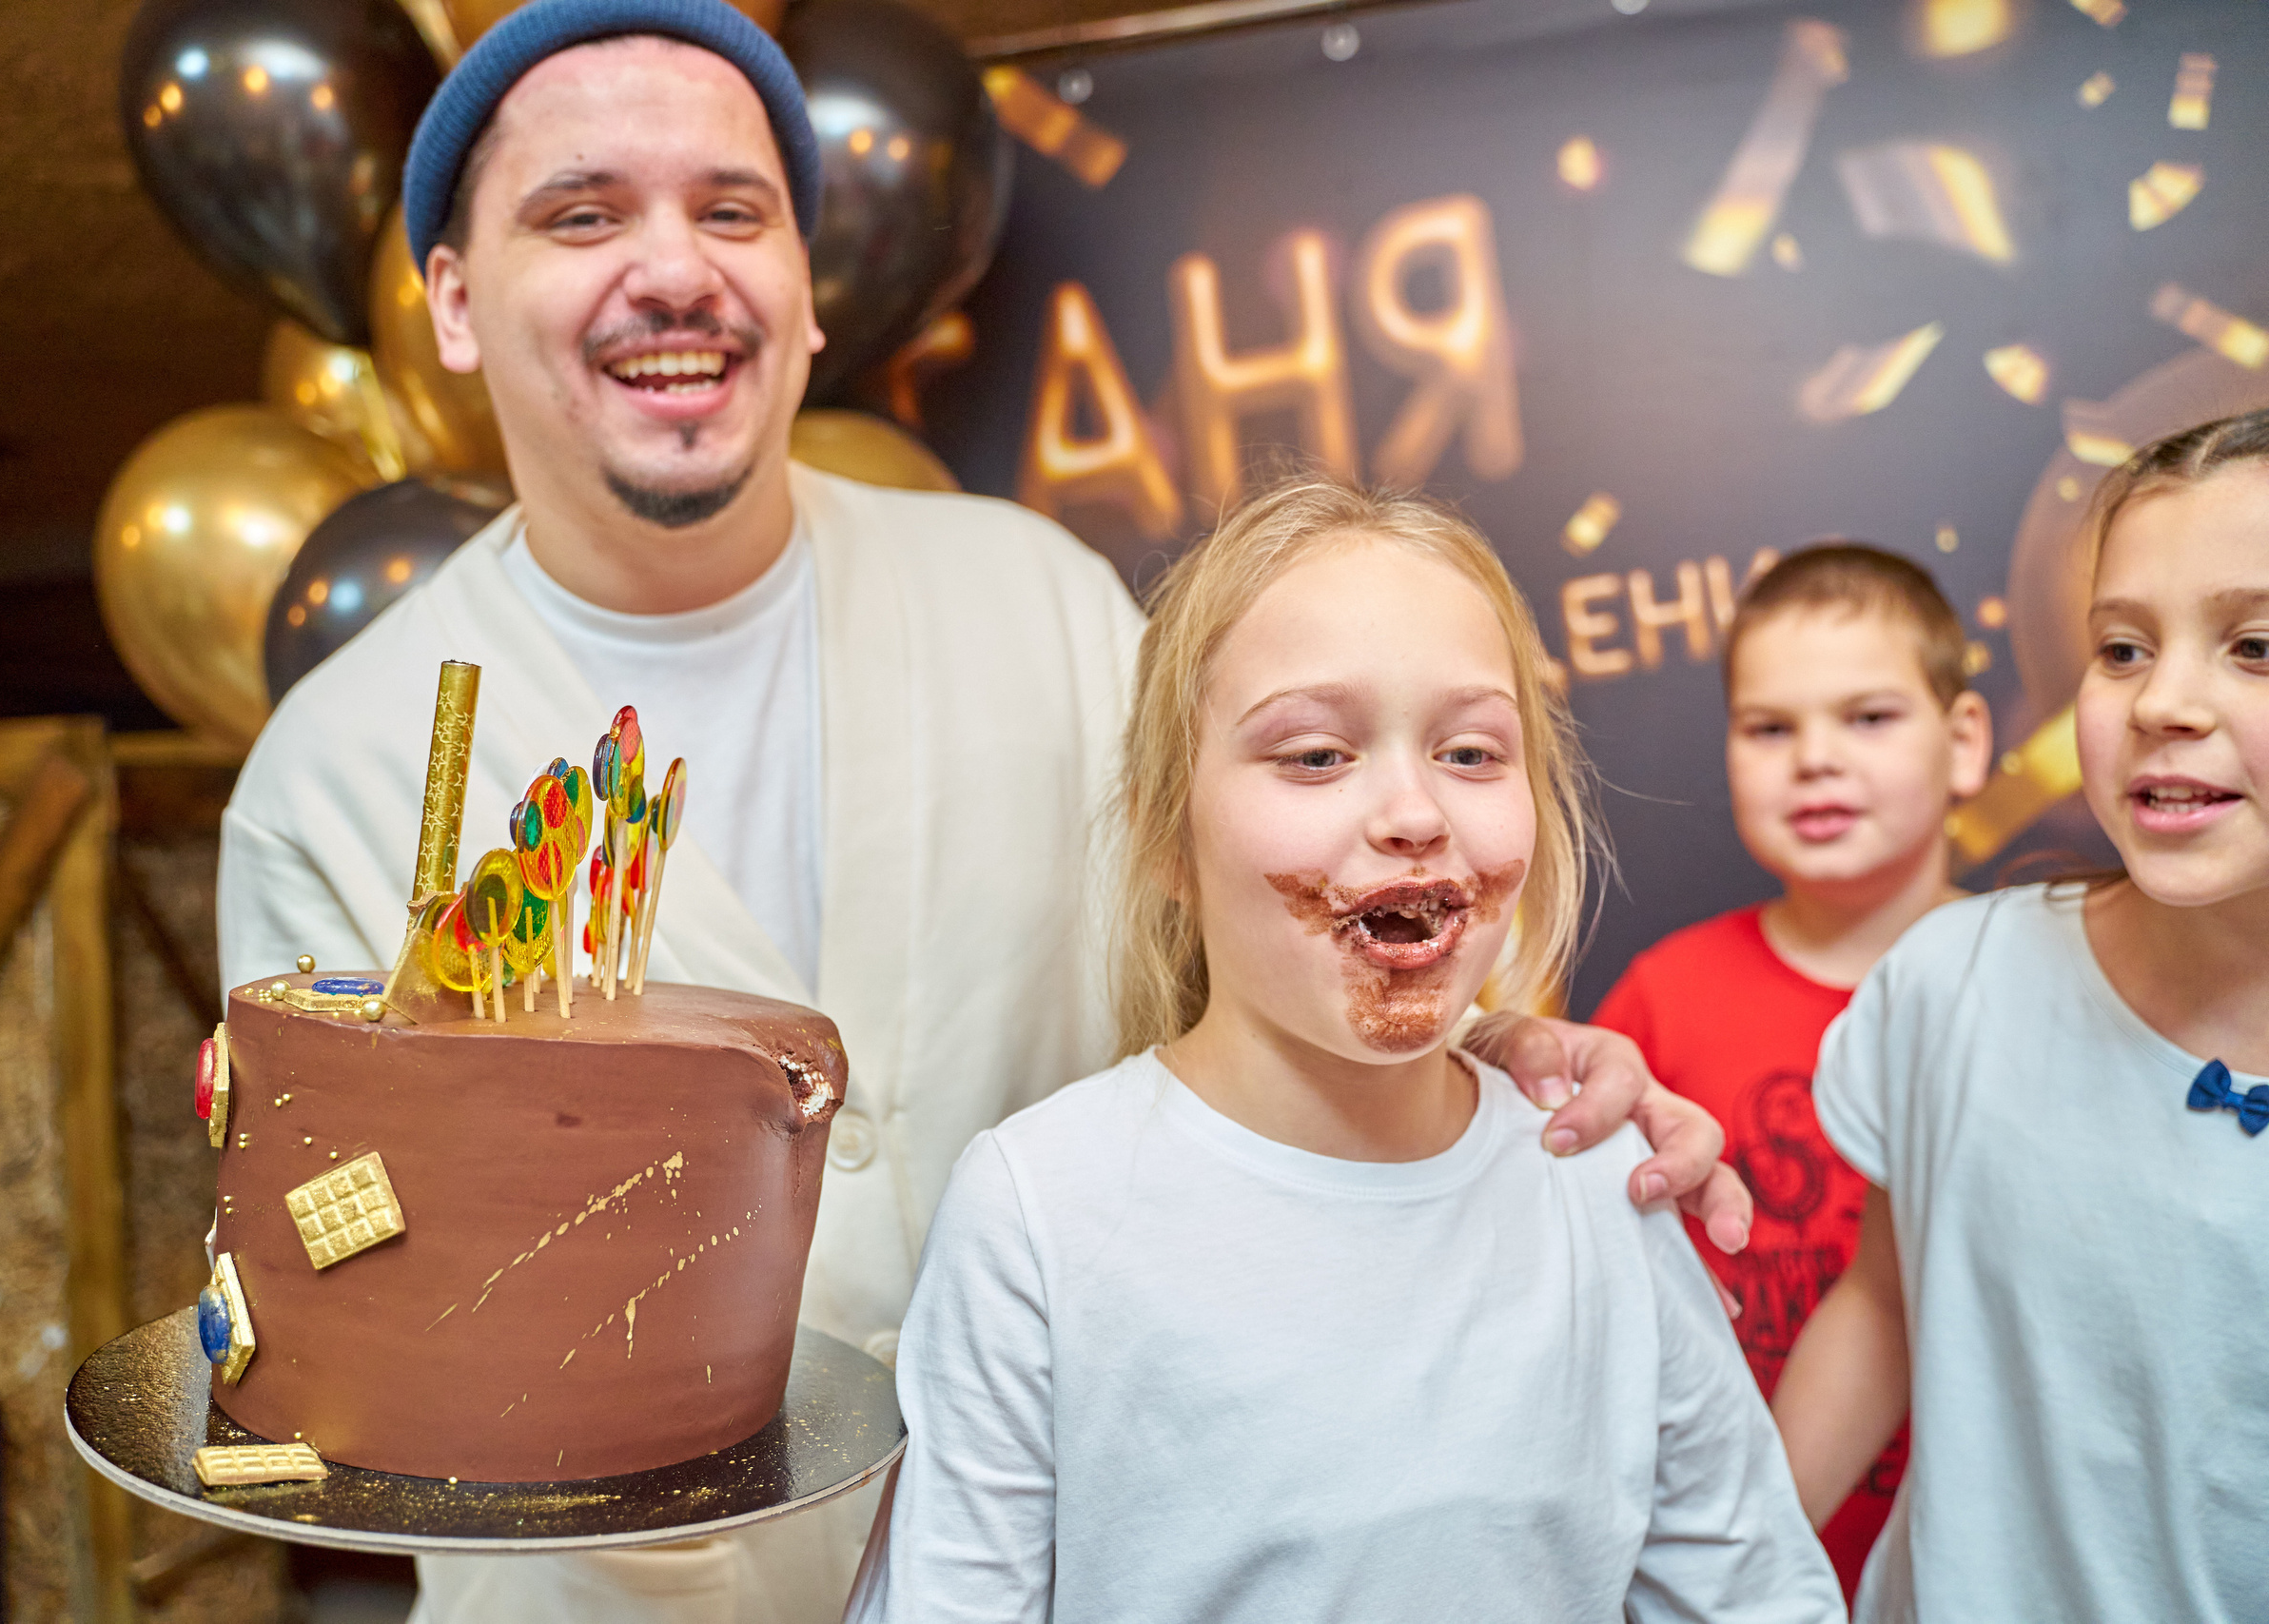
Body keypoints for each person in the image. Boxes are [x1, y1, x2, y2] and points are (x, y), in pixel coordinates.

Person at [215, 4, 1750, 1617]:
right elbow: (358, 1319)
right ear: (452, 302)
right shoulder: (343, 775)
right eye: (582, 213)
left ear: (809, 295)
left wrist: (1489, 1053)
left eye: (733, 210)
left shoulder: (1043, 603)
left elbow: (1255, 967)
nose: (674, 269)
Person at [844, 479, 1841, 1622]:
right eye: (1316, 756)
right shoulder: (1039, 1214)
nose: (1413, 811)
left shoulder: (1605, 1186)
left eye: (1470, 753)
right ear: (1169, 834)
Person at [1772, 408, 2269, 1622]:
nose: (2164, 702)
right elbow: (1883, 1309)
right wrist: (1726, 1570)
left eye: (2254, 645)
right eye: (2121, 649)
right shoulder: (1953, 987)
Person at [1590, 543, 1991, 1595]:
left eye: (1867, 718)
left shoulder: (2035, 984)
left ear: (1963, 744)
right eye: (1770, 728)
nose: (1814, 758)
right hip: (1728, 1574)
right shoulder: (1662, 999)